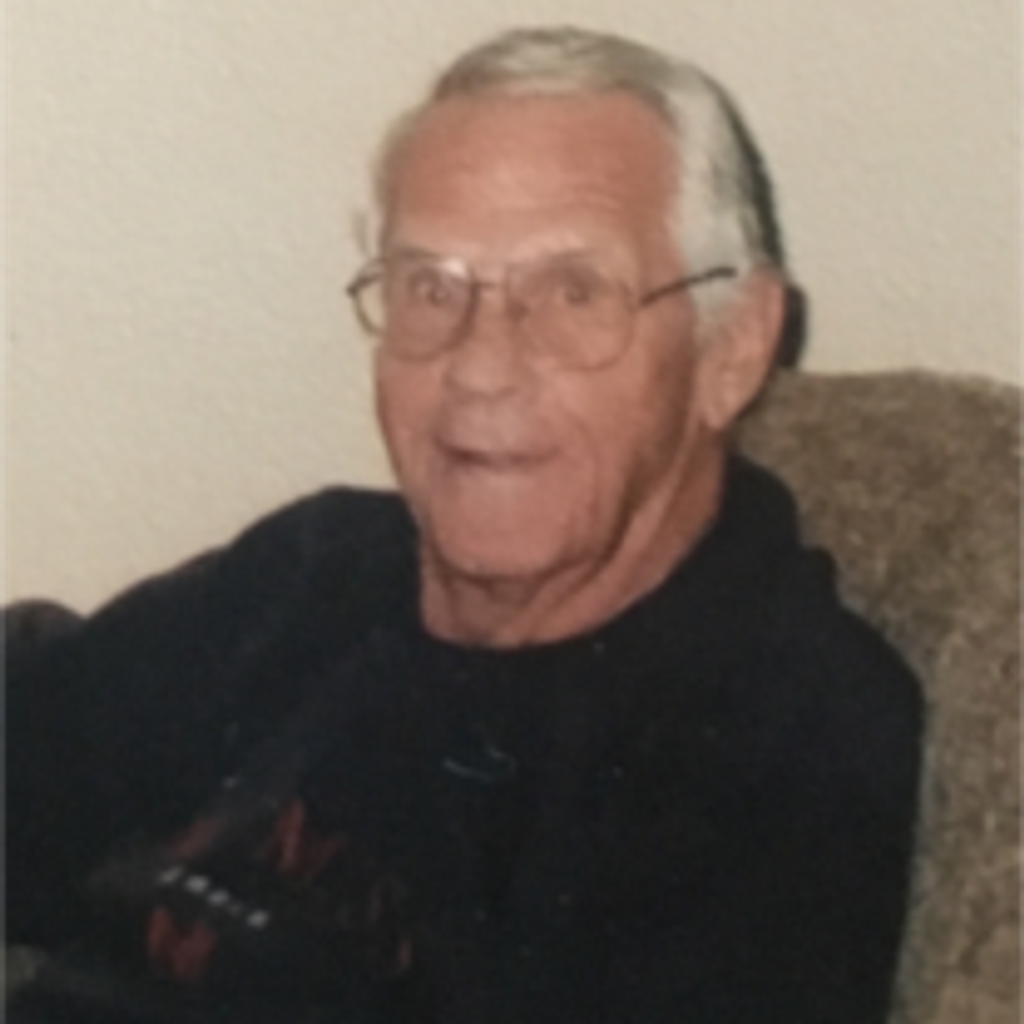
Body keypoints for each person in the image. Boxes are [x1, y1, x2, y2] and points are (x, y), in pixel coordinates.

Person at [2, 25, 922, 1024]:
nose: (479, 365)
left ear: (732, 348)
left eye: (572, 292)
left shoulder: (773, 742)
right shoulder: (319, 573)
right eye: (429, 287)